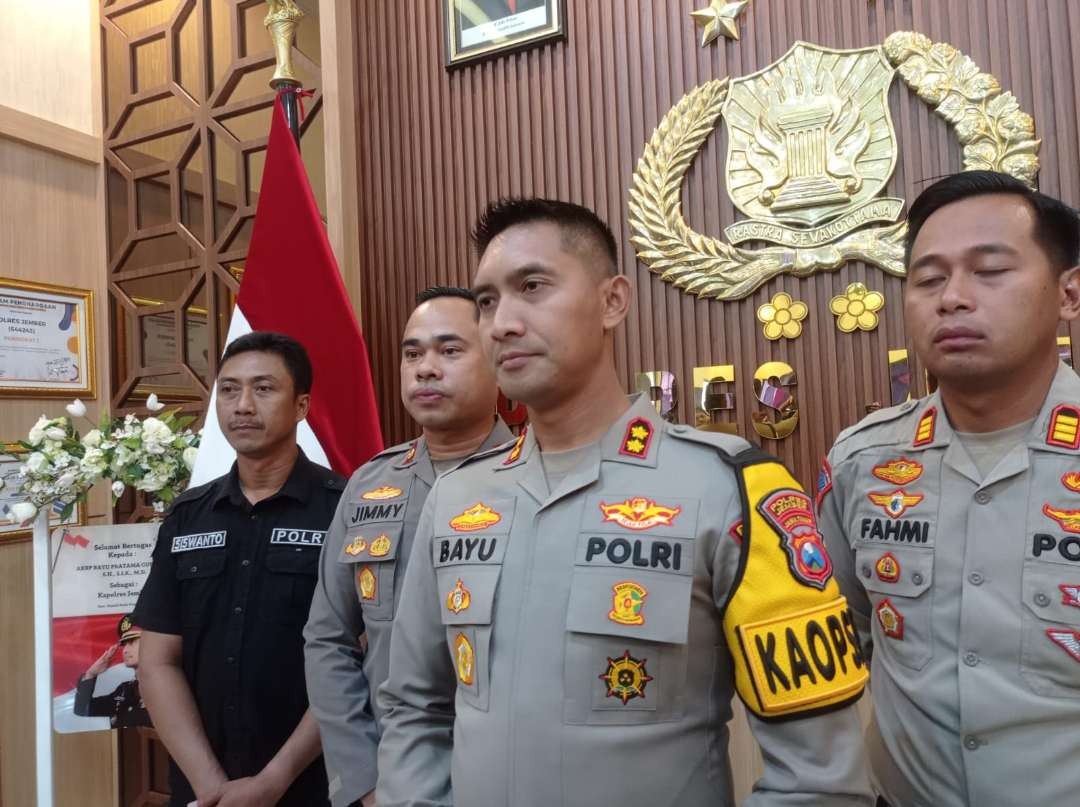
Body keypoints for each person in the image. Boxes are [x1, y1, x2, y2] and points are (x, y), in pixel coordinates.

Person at [376, 198, 873, 806]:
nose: (502, 321)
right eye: (487, 301)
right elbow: (412, 706)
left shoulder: (732, 487)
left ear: (613, 301)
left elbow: (820, 775)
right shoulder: (457, 498)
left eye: (532, 286)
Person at [817, 171, 1080, 807]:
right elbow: (832, 641)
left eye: (989, 271)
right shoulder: (863, 460)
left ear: (1069, 294)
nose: (953, 298)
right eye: (929, 279)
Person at [303, 286, 510, 807]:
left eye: (450, 350)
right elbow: (328, 639)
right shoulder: (370, 484)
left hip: (509, 774)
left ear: (496, 359)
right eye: (412, 353)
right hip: (389, 777)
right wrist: (365, 779)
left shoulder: (536, 478)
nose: (426, 368)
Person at [134, 331, 345, 807]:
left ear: (301, 406)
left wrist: (273, 781)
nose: (242, 405)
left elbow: (358, 663)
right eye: (229, 390)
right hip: (203, 788)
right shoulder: (188, 515)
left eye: (264, 389)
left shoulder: (345, 511)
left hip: (314, 784)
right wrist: (210, 785)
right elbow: (158, 660)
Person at [73, 613, 151, 728]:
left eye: (132, 642)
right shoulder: (125, 689)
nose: (125, 650)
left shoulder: (169, 688)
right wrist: (91, 674)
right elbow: (82, 709)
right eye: (124, 645)